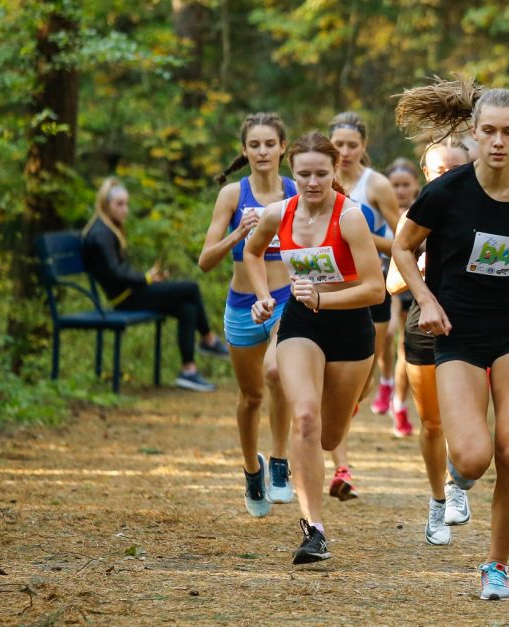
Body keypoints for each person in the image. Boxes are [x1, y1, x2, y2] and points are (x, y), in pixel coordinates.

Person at [392, 77, 509, 600]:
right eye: (489, 132)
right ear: (473, 135)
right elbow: (402, 250)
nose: (498, 141)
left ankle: (496, 566)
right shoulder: (445, 192)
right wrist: (426, 301)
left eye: (508, 132)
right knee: (474, 458)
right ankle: (459, 476)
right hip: (457, 330)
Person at [244, 131, 384, 564]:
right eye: (303, 174)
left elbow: (375, 289)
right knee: (305, 416)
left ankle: (334, 431)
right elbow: (252, 254)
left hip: (351, 331)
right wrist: (263, 296)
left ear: (334, 171)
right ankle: (314, 530)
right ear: (293, 172)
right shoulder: (277, 214)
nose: (312, 183)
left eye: (321, 174)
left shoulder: (351, 217)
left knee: (328, 435)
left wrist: (325, 297)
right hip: (302, 324)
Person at [198, 113, 297, 518]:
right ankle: (251, 469)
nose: (262, 152)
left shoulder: (295, 191)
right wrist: (239, 233)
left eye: (269, 144)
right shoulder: (232, 196)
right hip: (242, 304)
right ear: (244, 150)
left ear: (282, 148)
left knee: (278, 375)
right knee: (251, 395)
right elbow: (205, 261)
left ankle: (279, 462)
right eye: (254, 145)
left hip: (287, 298)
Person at [385, 140, 473, 547]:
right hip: (425, 328)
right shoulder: (415, 217)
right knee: (433, 423)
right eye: (440, 170)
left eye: (457, 167)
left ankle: (458, 488)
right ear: (427, 174)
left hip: (475, 327)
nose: (450, 175)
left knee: (468, 418)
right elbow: (390, 284)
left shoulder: (491, 209)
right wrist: (416, 269)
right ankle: (438, 500)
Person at [326, 112, 406, 500]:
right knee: (330, 380)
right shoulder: (317, 181)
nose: (343, 152)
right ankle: (341, 465)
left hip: (370, 290)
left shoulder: (377, 186)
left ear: (363, 147)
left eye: (351, 145)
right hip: (329, 291)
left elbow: (404, 241)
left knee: (359, 384)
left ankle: (342, 424)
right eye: (337, 145)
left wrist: (363, 239)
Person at [82, 178, 226, 393]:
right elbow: (115, 272)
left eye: (126, 204)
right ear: (105, 205)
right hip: (126, 299)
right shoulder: (101, 233)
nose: (125, 210)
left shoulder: (106, 229)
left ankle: (188, 371)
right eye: (119, 204)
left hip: (130, 294)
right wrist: (146, 278)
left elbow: (116, 271)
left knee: (187, 309)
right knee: (190, 288)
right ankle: (208, 339)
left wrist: (146, 278)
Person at [385, 158, 421, 434]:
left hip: (418, 289)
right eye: (394, 185)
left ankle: (399, 404)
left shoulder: (423, 212)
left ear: (415, 186)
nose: (400, 190)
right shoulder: (383, 213)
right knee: (389, 341)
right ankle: (390, 393)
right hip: (388, 287)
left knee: (404, 350)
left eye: (405, 185)